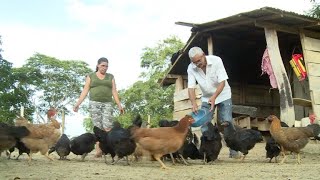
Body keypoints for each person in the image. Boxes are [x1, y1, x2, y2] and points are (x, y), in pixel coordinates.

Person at [187, 46, 239, 158]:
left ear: (203, 55)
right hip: (206, 98)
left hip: (223, 94)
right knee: (204, 123)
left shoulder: (216, 60)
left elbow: (222, 82)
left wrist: (215, 97)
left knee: (226, 121)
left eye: (199, 61)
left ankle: (234, 150)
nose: (197, 64)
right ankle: (207, 152)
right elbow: (190, 87)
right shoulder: (191, 68)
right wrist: (194, 103)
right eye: (194, 62)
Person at [73, 57, 124, 157]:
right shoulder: (91, 76)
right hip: (94, 103)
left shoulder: (110, 77)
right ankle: (98, 151)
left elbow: (114, 91)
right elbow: (85, 90)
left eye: (106, 66)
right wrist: (77, 104)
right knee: (97, 127)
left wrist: (119, 105)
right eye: (103, 66)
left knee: (107, 126)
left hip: (107, 103)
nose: (105, 68)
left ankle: (109, 149)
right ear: (97, 65)